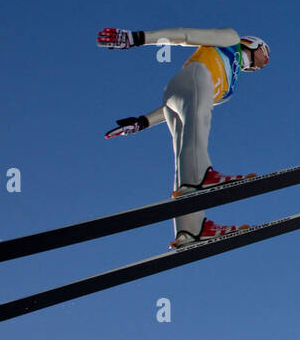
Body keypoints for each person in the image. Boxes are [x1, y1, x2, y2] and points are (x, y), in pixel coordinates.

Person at [96, 26, 270, 247]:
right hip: (195, 75)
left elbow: (183, 104)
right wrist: (138, 38)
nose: (268, 59)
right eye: (266, 51)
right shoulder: (231, 40)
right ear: (254, 43)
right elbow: (186, 36)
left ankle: (190, 229)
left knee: (183, 160)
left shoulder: (230, 88)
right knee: (199, 127)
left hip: (176, 96)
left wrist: (142, 122)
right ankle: (202, 176)